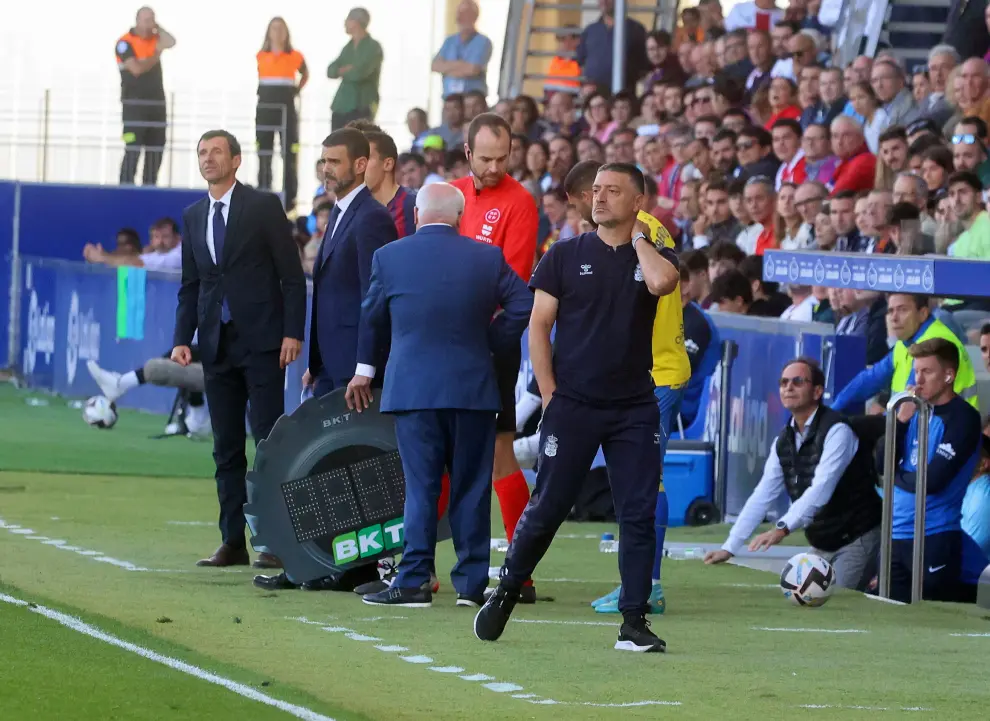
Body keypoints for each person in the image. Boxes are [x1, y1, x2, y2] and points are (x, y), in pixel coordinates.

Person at [474, 163, 679, 653]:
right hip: (575, 403)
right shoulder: (563, 255)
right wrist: (548, 393)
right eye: (597, 191)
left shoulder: (654, 252)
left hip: (634, 405)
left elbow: (663, 284)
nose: (600, 198)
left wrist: (640, 241)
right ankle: (505, 590)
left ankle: (633, 620)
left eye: (613, 192)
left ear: (637, 202)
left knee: (637, 511)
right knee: (548, 505)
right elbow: (539, 326)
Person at [348, 183, 532, 608]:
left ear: (416, 215)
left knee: (421, 487)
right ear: (460, 218)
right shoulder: (485, 256)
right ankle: (469, 586)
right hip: (473, 387)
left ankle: (413, 580)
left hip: (412, 388)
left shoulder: (389, 257)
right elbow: (522, 304)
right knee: (472, 487)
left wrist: (365, 370)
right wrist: (490, 341)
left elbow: (371, 317)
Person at [171, 129, 306, 568]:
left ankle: (273, 540)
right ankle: (232, 540)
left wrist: (293, 332)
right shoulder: (193, 215)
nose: (207, 159)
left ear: (236, 160)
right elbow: (191, 286)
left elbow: (290, 275)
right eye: (201, 152)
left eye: (215, 152)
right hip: (216, 346)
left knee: (267, 441)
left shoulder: (263, 206)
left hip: (265, 342)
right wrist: (181, 338)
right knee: (225, 446)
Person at [561, 160, 689, 616]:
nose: (589, 208)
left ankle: (647, 584)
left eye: (598, 195)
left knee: (642, 482)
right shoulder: (632, 231)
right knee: (637, 481)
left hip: (653, 373)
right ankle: (641, 579)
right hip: (647, 372)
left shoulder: (643, 231)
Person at [450, 114, 539, 601]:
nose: (493, 166)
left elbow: (516, 283)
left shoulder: (520, 202)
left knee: (500, 452)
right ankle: (417, 561)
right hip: (443, 346)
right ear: (467, 152)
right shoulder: (448, 196)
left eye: (502, 158)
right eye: (485, 158)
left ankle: (520, 573)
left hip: (487, 346)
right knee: (438, 452)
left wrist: (490, 338)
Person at [704, 358, 883, 590]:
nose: (789, 387)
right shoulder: (784, 439)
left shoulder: (838, 431)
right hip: (823, 539)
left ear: (817, 391)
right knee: (808, 599)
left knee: (837, 601)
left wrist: (782, 528)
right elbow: (763, 494)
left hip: (858, 534)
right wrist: (730, 547)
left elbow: (821, 490)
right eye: (784, 382)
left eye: (798, 381)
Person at [887, 338, 982, 603]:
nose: (918, 380)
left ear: (949, 375)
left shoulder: (963, 418)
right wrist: (901, 421)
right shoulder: (908, 411)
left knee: (934, 618)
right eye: (916, 371)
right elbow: (880, 462)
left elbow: (933, 480)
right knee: (889, 619)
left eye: (927, 372)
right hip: (895, 534)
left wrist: (895, 476)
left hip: (935, 535)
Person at [832, 293, 978, 414]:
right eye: (890, 311)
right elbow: (871, 379)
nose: (894, 318)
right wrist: (833, 409)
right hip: (919, 424)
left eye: (902, 310)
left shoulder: (934, 343)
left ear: (922, 313)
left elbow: (908, 404)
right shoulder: (906, 341)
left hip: (948, 428)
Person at [86, 351, 210, 436]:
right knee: (185, 352)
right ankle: (197, 420)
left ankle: (120, 384)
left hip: (224, 377)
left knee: (157, 368)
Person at [116, 6, 174, 186]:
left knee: (155, 151)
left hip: (157, 106)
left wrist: (159, 27)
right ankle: (125, 189)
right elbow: (137, 69)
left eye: (152, 20)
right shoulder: (125, 43)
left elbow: (171, 41)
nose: (150, 25)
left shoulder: (155, 38)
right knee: (132, 150)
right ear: (137, 21)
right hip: (134, 107)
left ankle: (150, 187)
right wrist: (157, 53)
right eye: (147, 20)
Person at [255, 17, 307, 212]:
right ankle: (263, 188)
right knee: (264, 150)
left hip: (287, 107)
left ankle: (289, 196)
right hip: (265, 107)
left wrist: (297, 89)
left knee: (289, 151)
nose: (277, 32)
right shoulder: (261, 55)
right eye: (274, 29)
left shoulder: (295, 55)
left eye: (281, 29)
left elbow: (305, 74)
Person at [327, 8, 383, 130]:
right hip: (341, 105)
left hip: (362, 104)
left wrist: (344, 71)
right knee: (336, 143)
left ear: (356, 22)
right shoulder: (347, 48)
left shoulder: (373, 47)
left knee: (358, 143)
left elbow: (360, 73)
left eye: (348, 19)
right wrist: (344, 69)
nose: (345, 23)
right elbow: (330, 70)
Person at [431, 1, 492, 99]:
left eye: (465, 13)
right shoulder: (449, 41)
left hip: (472, 102)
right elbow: (435, 66)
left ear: (475, 16)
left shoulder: (484, 42)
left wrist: (447, 68)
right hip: (450, 101)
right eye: (459, 13)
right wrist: (461, 65)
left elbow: (472, 70)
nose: (460, 18)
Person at [364, 131, 417, 238]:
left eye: (366, 159)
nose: (359, 166)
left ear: (388, 164)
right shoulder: (357, 208)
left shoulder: (412, 204)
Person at [82, 217, 182, 272]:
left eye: (165, 237)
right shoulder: (156, 253)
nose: (160, 242)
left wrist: (102, 258)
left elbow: (137, 263)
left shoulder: (181, 254)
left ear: (178, 238)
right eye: (156, 237)